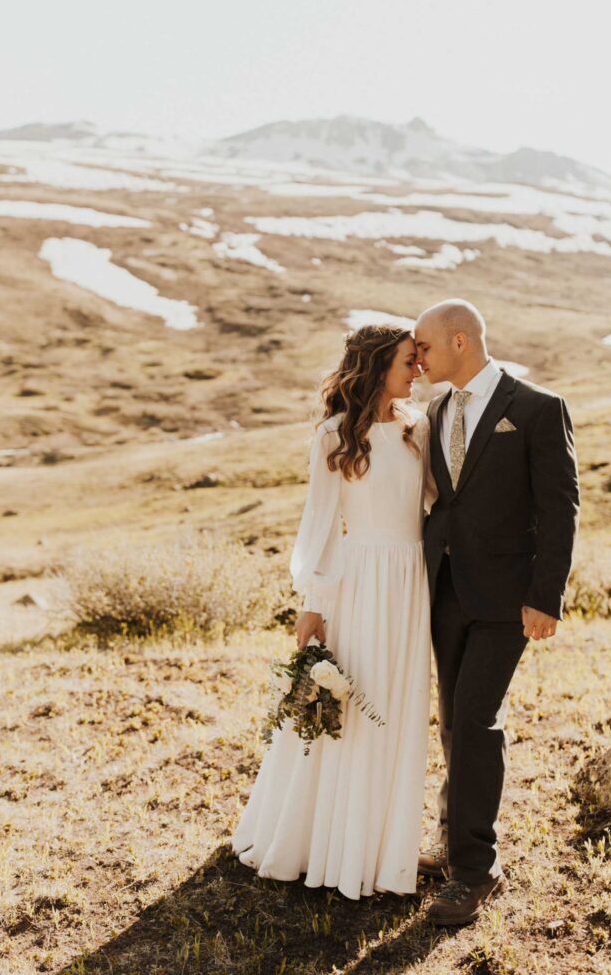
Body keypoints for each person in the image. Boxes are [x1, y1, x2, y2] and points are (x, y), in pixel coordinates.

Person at [231, 325, 435, 899]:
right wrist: (314, 604)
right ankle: (333, 844)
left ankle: (384, 846)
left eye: (418, 361)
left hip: (411, 580)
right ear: (375, 366)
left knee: (398, 709)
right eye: (406, 361)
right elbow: (319, 523)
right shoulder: (335, 435)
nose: (416, 371)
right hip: (359, 580)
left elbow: (432, 506)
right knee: (354, 708)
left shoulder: (420, 427)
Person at [414, 299, 580, 926]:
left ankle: (474, 871)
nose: (418, 357)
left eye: (425, 346)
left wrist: (546, 595)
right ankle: (453, 834)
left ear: (460, 340)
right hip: (445, 590)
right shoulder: (435, 410)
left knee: (477, 721)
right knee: (454, 723)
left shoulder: (537, 408)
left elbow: (561, 506)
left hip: (508, 599)